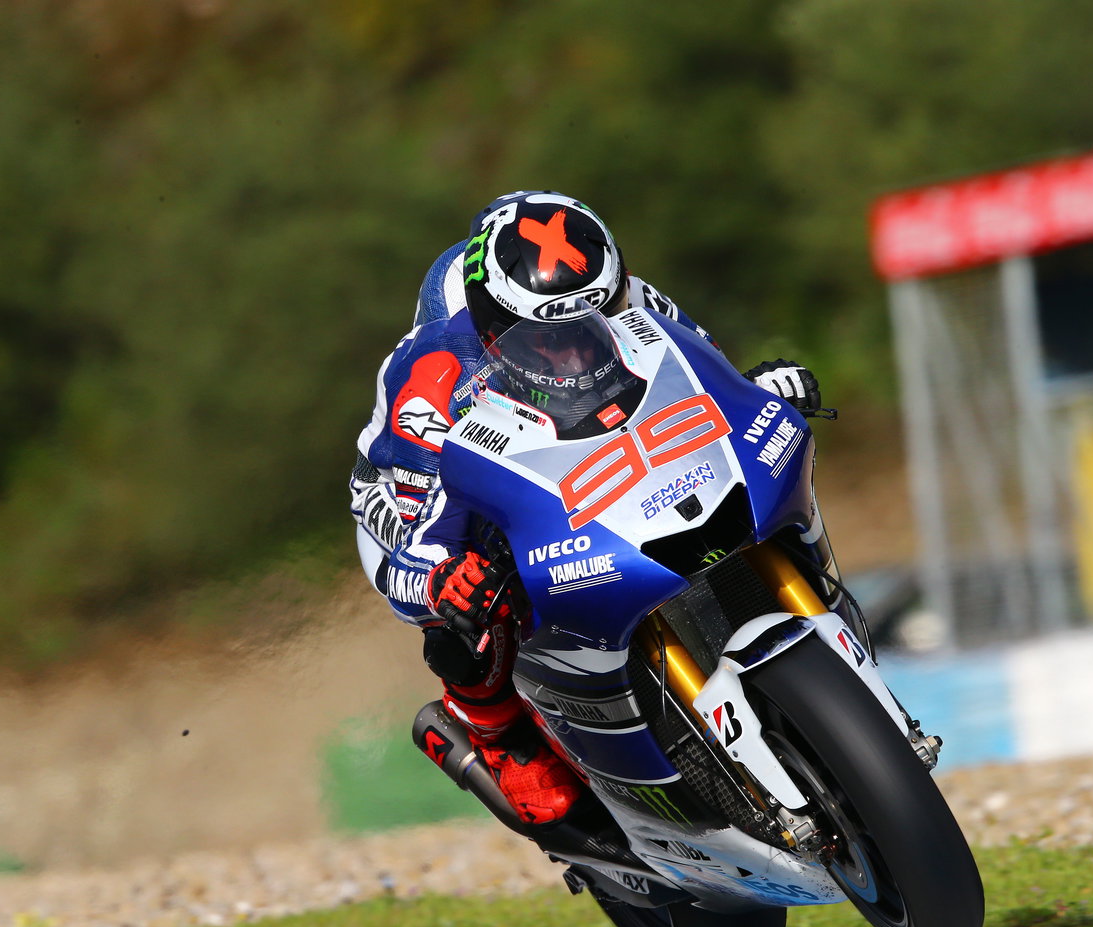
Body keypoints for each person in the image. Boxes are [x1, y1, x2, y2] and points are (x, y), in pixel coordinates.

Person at [349, 191, 823, 836]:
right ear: (494, 325)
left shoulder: (629, 299)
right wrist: (439, 578)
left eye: (592, 319)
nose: (577, 350)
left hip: (605, 457)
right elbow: (421, 531)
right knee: (469, 600)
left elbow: (703, 375)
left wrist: (757, 389)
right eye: (552, 337)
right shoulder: (432, 376)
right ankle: (499, 738)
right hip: (409, 503)